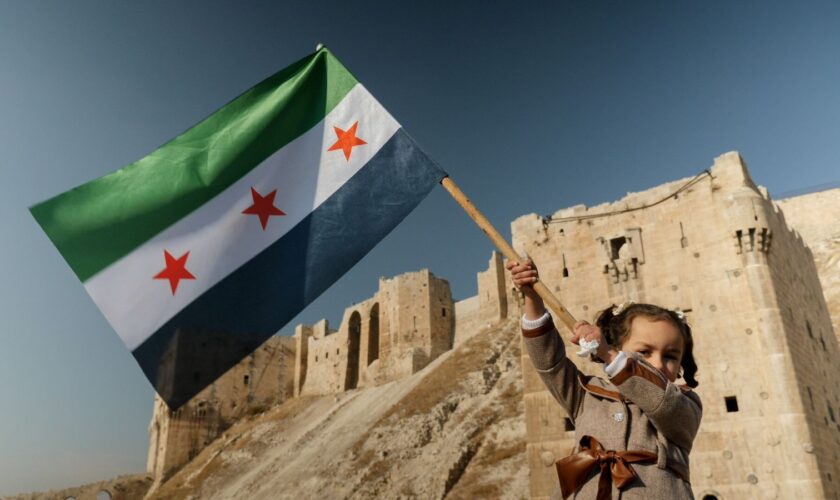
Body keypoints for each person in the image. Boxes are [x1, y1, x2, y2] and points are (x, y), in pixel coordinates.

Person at [507, 259, 702, 500]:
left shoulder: (685, 404)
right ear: (619, 346)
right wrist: (532, 297)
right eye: (644, 352)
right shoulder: (586, 395)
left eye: (671, 356)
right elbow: (549, 362)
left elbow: (661, 402)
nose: (659, 363)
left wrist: (609, 354)